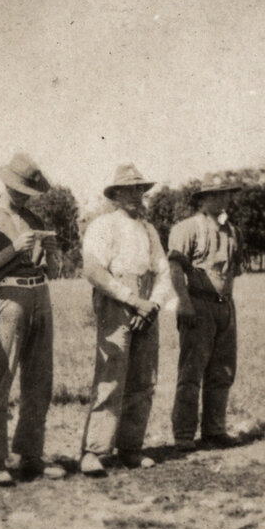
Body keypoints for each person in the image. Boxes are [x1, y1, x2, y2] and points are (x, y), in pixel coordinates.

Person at [0, 152, 65, 486]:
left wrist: (52, 252)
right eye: (19, 188)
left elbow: (53, 271)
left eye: (29, 191)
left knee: (39, 381)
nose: (24, 195)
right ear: (6, 183)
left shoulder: (34, 219)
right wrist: (13, 249)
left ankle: (31, 454)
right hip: (7, 297)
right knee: (1, 381)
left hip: (39, 295)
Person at [79, 165, 172, 476]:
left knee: (144, 377)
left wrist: (153, 304)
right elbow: (93, 270)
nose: (134, 195)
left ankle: (131, 448)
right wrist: (133, 300)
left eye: (139, 189)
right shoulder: (103, 225)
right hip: (117, 299)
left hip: (147, 301)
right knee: (112, 373)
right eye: (127, 190)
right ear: (115, 194)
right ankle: (95, 451)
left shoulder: (148, 229)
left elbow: (163, 271)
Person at [168, 173, 244, 451]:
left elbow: (233, 270)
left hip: (225, 307)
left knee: (223, 371)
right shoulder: (187, 228)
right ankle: (184, 434)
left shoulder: (233, 231)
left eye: (226, 194)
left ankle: (215, 430)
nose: (222, 199)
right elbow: (175, 268)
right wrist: (184, 302)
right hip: (197, 304)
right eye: (215, 194)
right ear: (202, 200)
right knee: (191, 371)